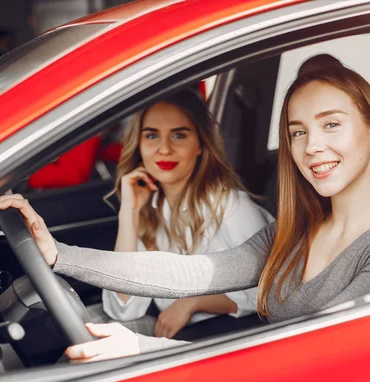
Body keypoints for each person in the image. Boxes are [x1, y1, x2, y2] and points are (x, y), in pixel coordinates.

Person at [0, 62, 370, 362]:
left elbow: (307, 356)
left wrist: (144, 350)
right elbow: (191, 273)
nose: (312, 146)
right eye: (297, 132)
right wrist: (59, 255)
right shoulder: (299, 228)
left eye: (332, 125)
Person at [85, 89, 273, 339]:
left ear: (200, 145)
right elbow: (125, 308)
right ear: (139, 146)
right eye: (152, 135)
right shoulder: (150, 210)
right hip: (180, 337)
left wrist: (195, 302)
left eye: (179, 135)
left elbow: (274, 292)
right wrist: (129, 214)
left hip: (232, 338)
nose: (164, 148)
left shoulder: (231, 206)